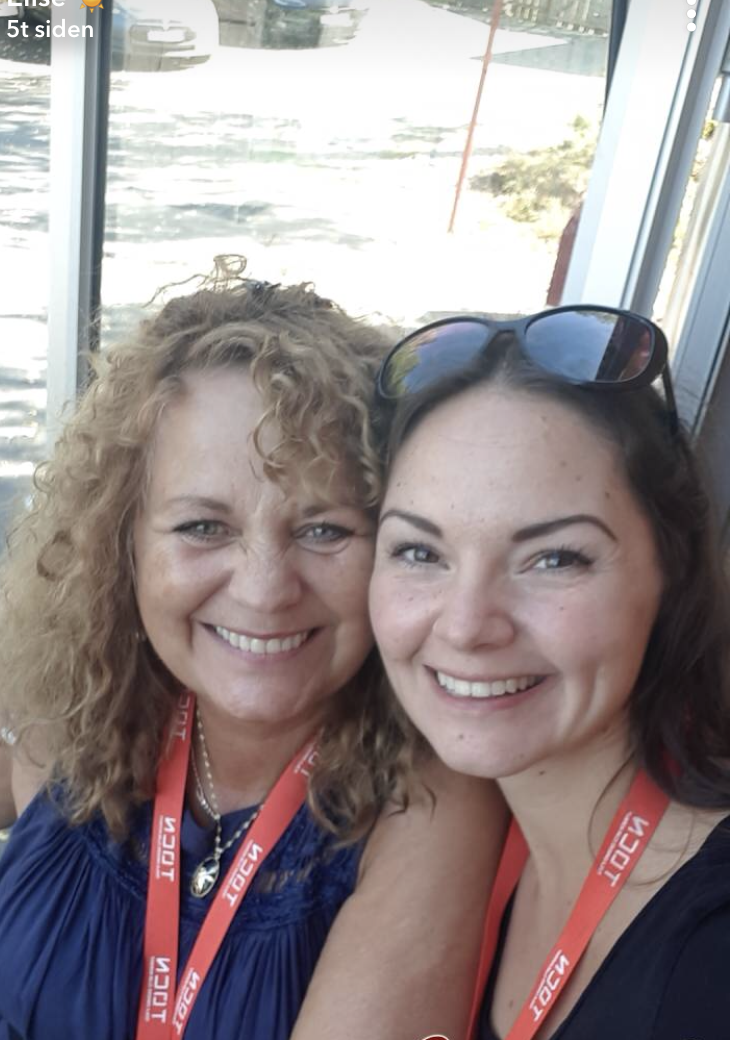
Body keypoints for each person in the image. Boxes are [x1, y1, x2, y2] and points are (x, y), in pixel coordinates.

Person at [0, 266, 504, 1040]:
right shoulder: (77, 694)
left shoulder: (432, 801)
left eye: (325, 530)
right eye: (204, 527)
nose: (265, 591)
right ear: (120, 546)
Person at [368, 306, 730, 1040]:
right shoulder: (487, 841)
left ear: (670, 574)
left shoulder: (710, 962)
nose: (466, 625)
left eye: (554, 558)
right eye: (420, 551)